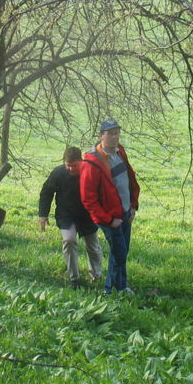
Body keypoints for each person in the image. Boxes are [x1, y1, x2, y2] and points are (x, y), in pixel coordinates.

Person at [80, 119, 140, 294]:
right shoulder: (91, 162)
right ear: (101, 136)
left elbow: (129, 180)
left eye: (116, 133)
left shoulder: (120, 152)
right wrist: (108, 220)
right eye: (110, 133)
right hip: (110, 217)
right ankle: (110, 290)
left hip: (125, 213)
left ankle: (121, 286)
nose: (115, 137)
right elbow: (88, 199)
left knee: (122, 252)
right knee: (119, 252)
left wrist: (133, 207)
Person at [39, 146, 103, 289]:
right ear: (64, 163)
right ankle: (74, 278)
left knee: (93, 246)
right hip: (66, 215)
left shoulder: (90, 172)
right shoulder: (58, 173)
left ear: (81, 161)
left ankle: (96, 275)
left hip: (87, 215)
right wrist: (43, 214)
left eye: (75, 166)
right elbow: (46, 193)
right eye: (68, 166)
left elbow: (101, 192)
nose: (71, 169)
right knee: (69, 240)